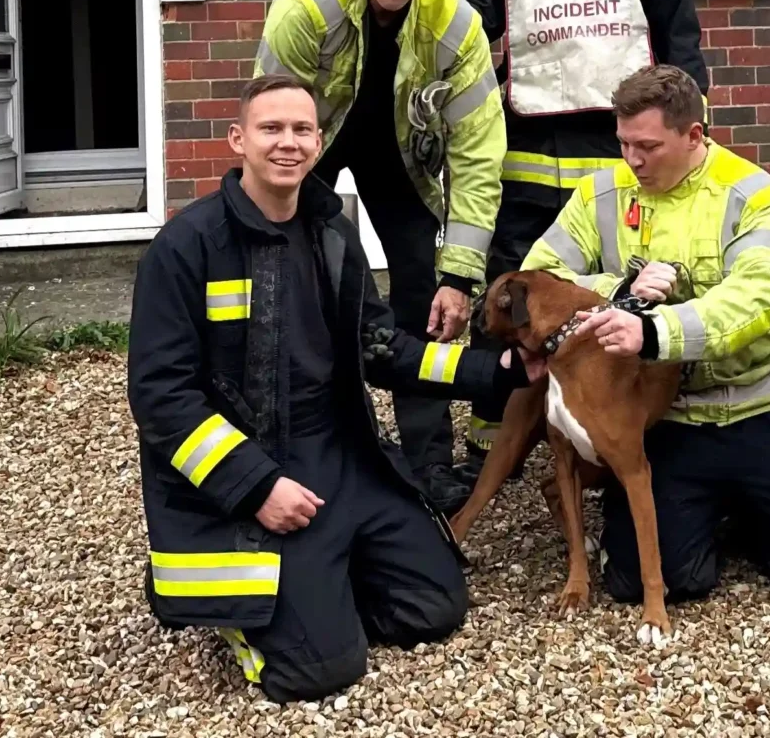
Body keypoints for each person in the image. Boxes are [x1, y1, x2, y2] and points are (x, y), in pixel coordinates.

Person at [126, 74, 541, 702]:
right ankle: (245, 615)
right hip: (258, 469)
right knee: (317, 673)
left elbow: (383, 348)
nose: (287, 143)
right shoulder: (187, 246)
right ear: (238, 139)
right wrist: (256, 487)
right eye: (271, 129)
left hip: (341, 457)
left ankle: (319, 590)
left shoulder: (332, 232)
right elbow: (161, 397)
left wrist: (500, 372)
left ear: (319, 143)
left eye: (301, 130)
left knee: (435, 609)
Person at [522, 64, 770, 607]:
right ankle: (728, 511)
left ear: (694, 135)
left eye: (647, 146)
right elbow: (540, 278)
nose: (632, 160)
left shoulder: (756, 194)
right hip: (666, 415)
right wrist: (620, 288)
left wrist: (656, 330)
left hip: (758, 397)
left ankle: (763, 507)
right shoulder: (599, 192)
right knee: (653, 579)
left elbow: (756, 299)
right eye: (623, 144)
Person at [455, 0, 710, 487]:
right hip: (527, 150)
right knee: (510, 289)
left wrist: (690, 128)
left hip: (618, 155)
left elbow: (680, 41)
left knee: (619, 288)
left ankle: (615, 419)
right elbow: (471, 20)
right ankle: (495, 429)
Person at [252, 0, 504, 515]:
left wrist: (460, 276)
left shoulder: (458, 26)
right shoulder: (304, 7)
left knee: (425, 300)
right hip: (313, 150)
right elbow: (271, 121)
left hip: (403, 162)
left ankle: (429, 464)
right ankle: (327, 447)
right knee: (329, 288)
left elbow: (477, 154)